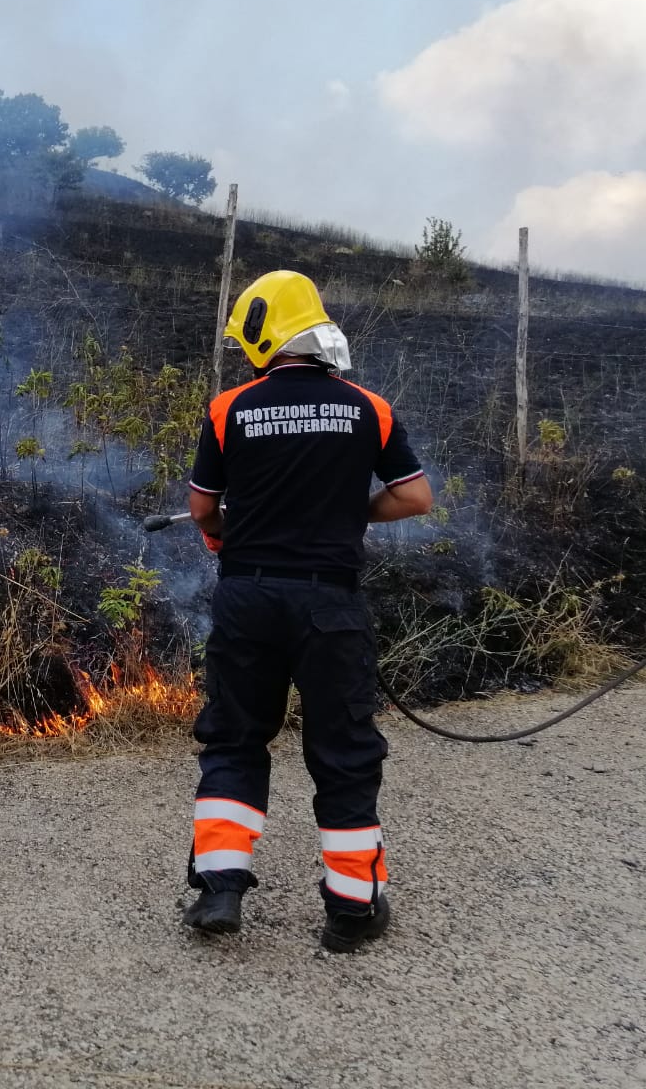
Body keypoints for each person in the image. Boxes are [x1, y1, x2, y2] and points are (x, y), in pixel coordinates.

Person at [180, 269, 433, 952]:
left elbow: (205, 510)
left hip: (248, 599)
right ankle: (352, 910)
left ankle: (220, 888)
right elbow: (415, 498)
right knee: (344, 750)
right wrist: (352, 513)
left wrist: (228, 531)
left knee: (235, 737)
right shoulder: (369, 409)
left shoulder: (227, 409)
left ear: (265, 335)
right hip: (330, 602)